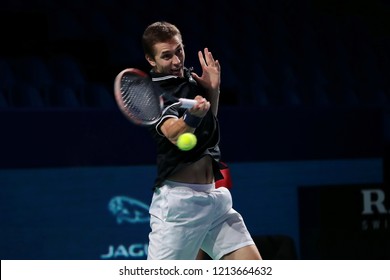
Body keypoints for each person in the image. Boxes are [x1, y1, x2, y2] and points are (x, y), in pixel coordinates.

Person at [142, 21, 262, 260]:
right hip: (179, 206)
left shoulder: (188, 80)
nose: (177, 61)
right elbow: (174, 134)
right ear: (151, 60)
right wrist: (192, 117)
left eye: (179, 51)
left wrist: (213, 91)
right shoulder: (151, 95)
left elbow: (208, 126)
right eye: (167, 56)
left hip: (214, 199)